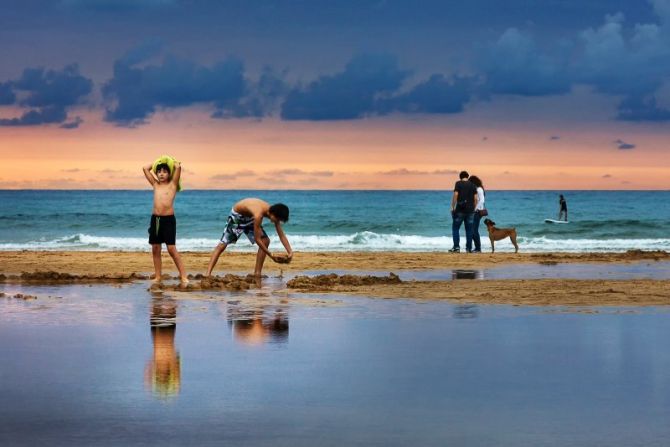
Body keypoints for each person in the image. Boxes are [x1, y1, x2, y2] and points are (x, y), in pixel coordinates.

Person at [205, 198, 293, 277]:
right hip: (237, 217)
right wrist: (271, 255)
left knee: (265, 240)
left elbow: (281, 235)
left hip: (250, 218)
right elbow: (257, 239)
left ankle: (257, 273)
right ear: (273, 214)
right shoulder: (259, 214)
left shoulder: (273, 212)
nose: (277, 222)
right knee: (222, 245)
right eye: (277, 220)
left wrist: (290, 252)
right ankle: (207, 274)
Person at [142, 158, 188, 285]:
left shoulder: (173, 184)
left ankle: (183, 276)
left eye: (164, 171)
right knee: (155, 248)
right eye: (159, 171)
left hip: (168, 220)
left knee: (171, 248)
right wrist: (158, 160)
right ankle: (158, 276)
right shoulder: (155, 184)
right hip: (155, 219)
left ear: (169, 174)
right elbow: (145, 168)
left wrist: (169, 159)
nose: (161, 174)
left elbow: (178, 167)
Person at [450, 171, 478, 253]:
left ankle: (456, 247)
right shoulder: (473, 185)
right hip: (470, 211)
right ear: (467, 176)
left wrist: (452, 206)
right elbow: (476, 198)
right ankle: (468, 248)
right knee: (469, 230)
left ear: (460, 177)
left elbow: (455, 195)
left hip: (460, 210)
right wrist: (474, 208)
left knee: (455, 228)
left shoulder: (458, 183)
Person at [469, 175, 486, 253]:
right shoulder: (476, 189)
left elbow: (482, 200)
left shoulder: (479, 189)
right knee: (472, 230)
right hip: (475, 212)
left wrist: (475, 209)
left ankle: (478, 248)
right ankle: (477, 248)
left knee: (474, 230)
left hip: (477, 212)